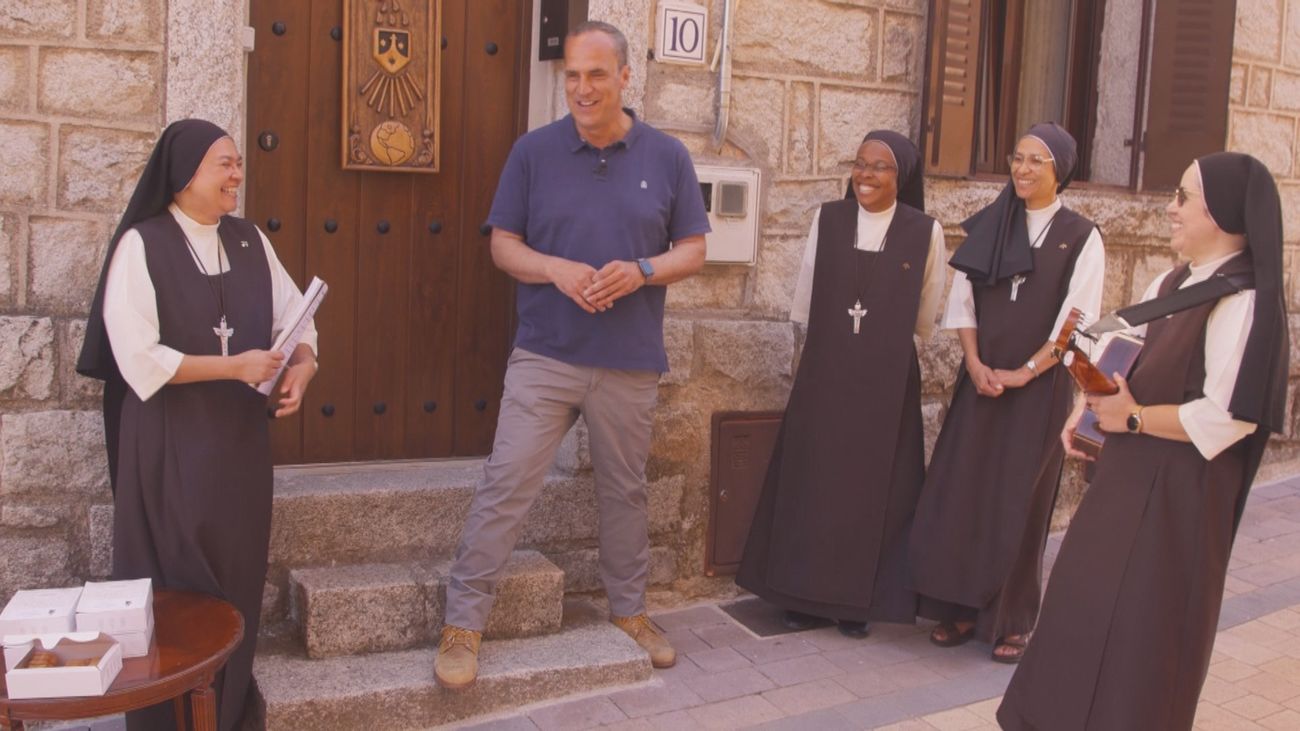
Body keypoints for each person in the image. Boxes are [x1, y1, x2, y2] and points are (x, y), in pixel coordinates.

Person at [433, 21, 710, 691]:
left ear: (625, 78)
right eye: (573, 76)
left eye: (596, 75)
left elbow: (694, 249)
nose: (582, 89)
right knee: (506, 483)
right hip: (546, 353)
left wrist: (641, 271)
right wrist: (555, 269)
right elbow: (503, 245)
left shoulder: (668, 156)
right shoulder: (534, 151)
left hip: (629, 359)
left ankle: (630, 612)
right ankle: (463, 624)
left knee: (625, 492)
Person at [997, 152, 1289, 730]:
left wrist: (1130, 419)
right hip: (1124, 486)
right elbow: (1122, 356)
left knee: (1142, 637)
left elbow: (1228, 418)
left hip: (1180, 503)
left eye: (1183, 197)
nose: (1170, 209)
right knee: (1080, 610)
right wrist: (1086, 411)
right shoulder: (1173, 283)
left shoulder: (1244, 301)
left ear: (1223, 213)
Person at [77, 119, 319, 730]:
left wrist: (304, 364)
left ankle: (226, 714)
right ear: (185, 174)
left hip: (239, 447)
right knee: (178, 589)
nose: (237, 174)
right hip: (169, 445)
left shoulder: (249, 240)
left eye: (238, 162)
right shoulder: (144, 245)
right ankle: (168, 722)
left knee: (236, 580)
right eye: (224, 164)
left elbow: (295, 318)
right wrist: (233, 365)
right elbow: (137, 356)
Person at [908, 122, 1105, 663]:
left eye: (1036, 160)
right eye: (1017, 158)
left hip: (1038, 391)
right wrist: (974, 363)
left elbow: (1077, 321)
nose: (1022, 169)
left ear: (1060, 171)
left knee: (1021, 502)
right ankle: (958, 606)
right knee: (965, 491)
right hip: (981, 382)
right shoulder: (992, 223)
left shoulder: (1081, 236)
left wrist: (1027, 372)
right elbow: (964, 302)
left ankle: (1012, 619)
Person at [737, 131, 945, 637]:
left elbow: (925, 314)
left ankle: (858, 603)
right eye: (860, 163)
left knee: (874, 489)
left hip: (887, 380)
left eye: (880, 167)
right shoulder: (828, 219)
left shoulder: (925, 232)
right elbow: (807, 298)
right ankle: (802, 596)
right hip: (827, 371)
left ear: (902, 177)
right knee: (814, 479)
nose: (866, 175)